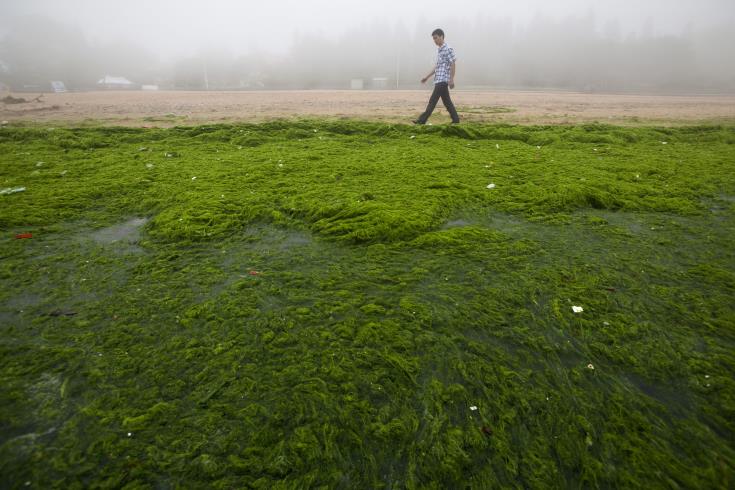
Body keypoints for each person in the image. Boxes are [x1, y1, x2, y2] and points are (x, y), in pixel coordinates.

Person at [414, 28, 460, 125]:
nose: (434, 41)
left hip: (443, 80)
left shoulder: (448, 49)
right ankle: (456, 120)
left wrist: (451, 79)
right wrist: (427, 77)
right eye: (433, 39)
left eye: (436, 38)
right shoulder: (440, 50)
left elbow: (453, 64)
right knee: (447, 102)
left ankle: (422, 120)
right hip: (439, 79)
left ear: (442, 36)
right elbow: (437, 67)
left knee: (432, 101)